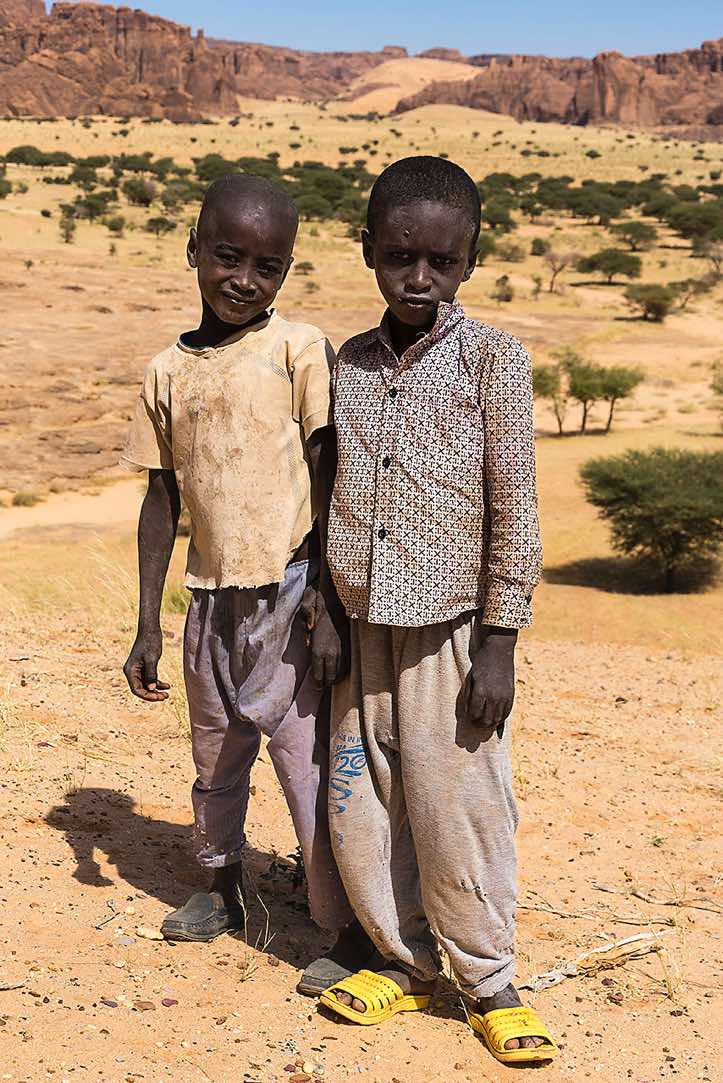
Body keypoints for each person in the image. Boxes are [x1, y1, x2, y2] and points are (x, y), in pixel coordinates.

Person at [317, 157, 559, 1064]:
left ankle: (488, 976)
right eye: (398, 257)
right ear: (367, 250)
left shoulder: (494, 360)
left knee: (458, 803)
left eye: (439, 262)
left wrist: (499, 640)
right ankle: (402, 954)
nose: (418, 278)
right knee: (369, 801)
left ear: (471, 258)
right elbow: (333, 495)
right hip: (360, 621)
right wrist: (331, 613)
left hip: (454, 629)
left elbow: (516, 506)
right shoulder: (347, 362)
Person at [121, 172, 374, 994]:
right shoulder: (165, 371)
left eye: (267, 267)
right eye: (227, 257)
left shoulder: (297, 347)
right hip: (208, 599)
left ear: (286, 273)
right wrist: (146, 624)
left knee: (304, 766)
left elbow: (327, 469)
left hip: (291, 592)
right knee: (214, 756)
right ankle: (221, 886)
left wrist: (332, 605)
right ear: (193, 250)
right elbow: (160, 499)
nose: (244, 279)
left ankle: (340, 924)